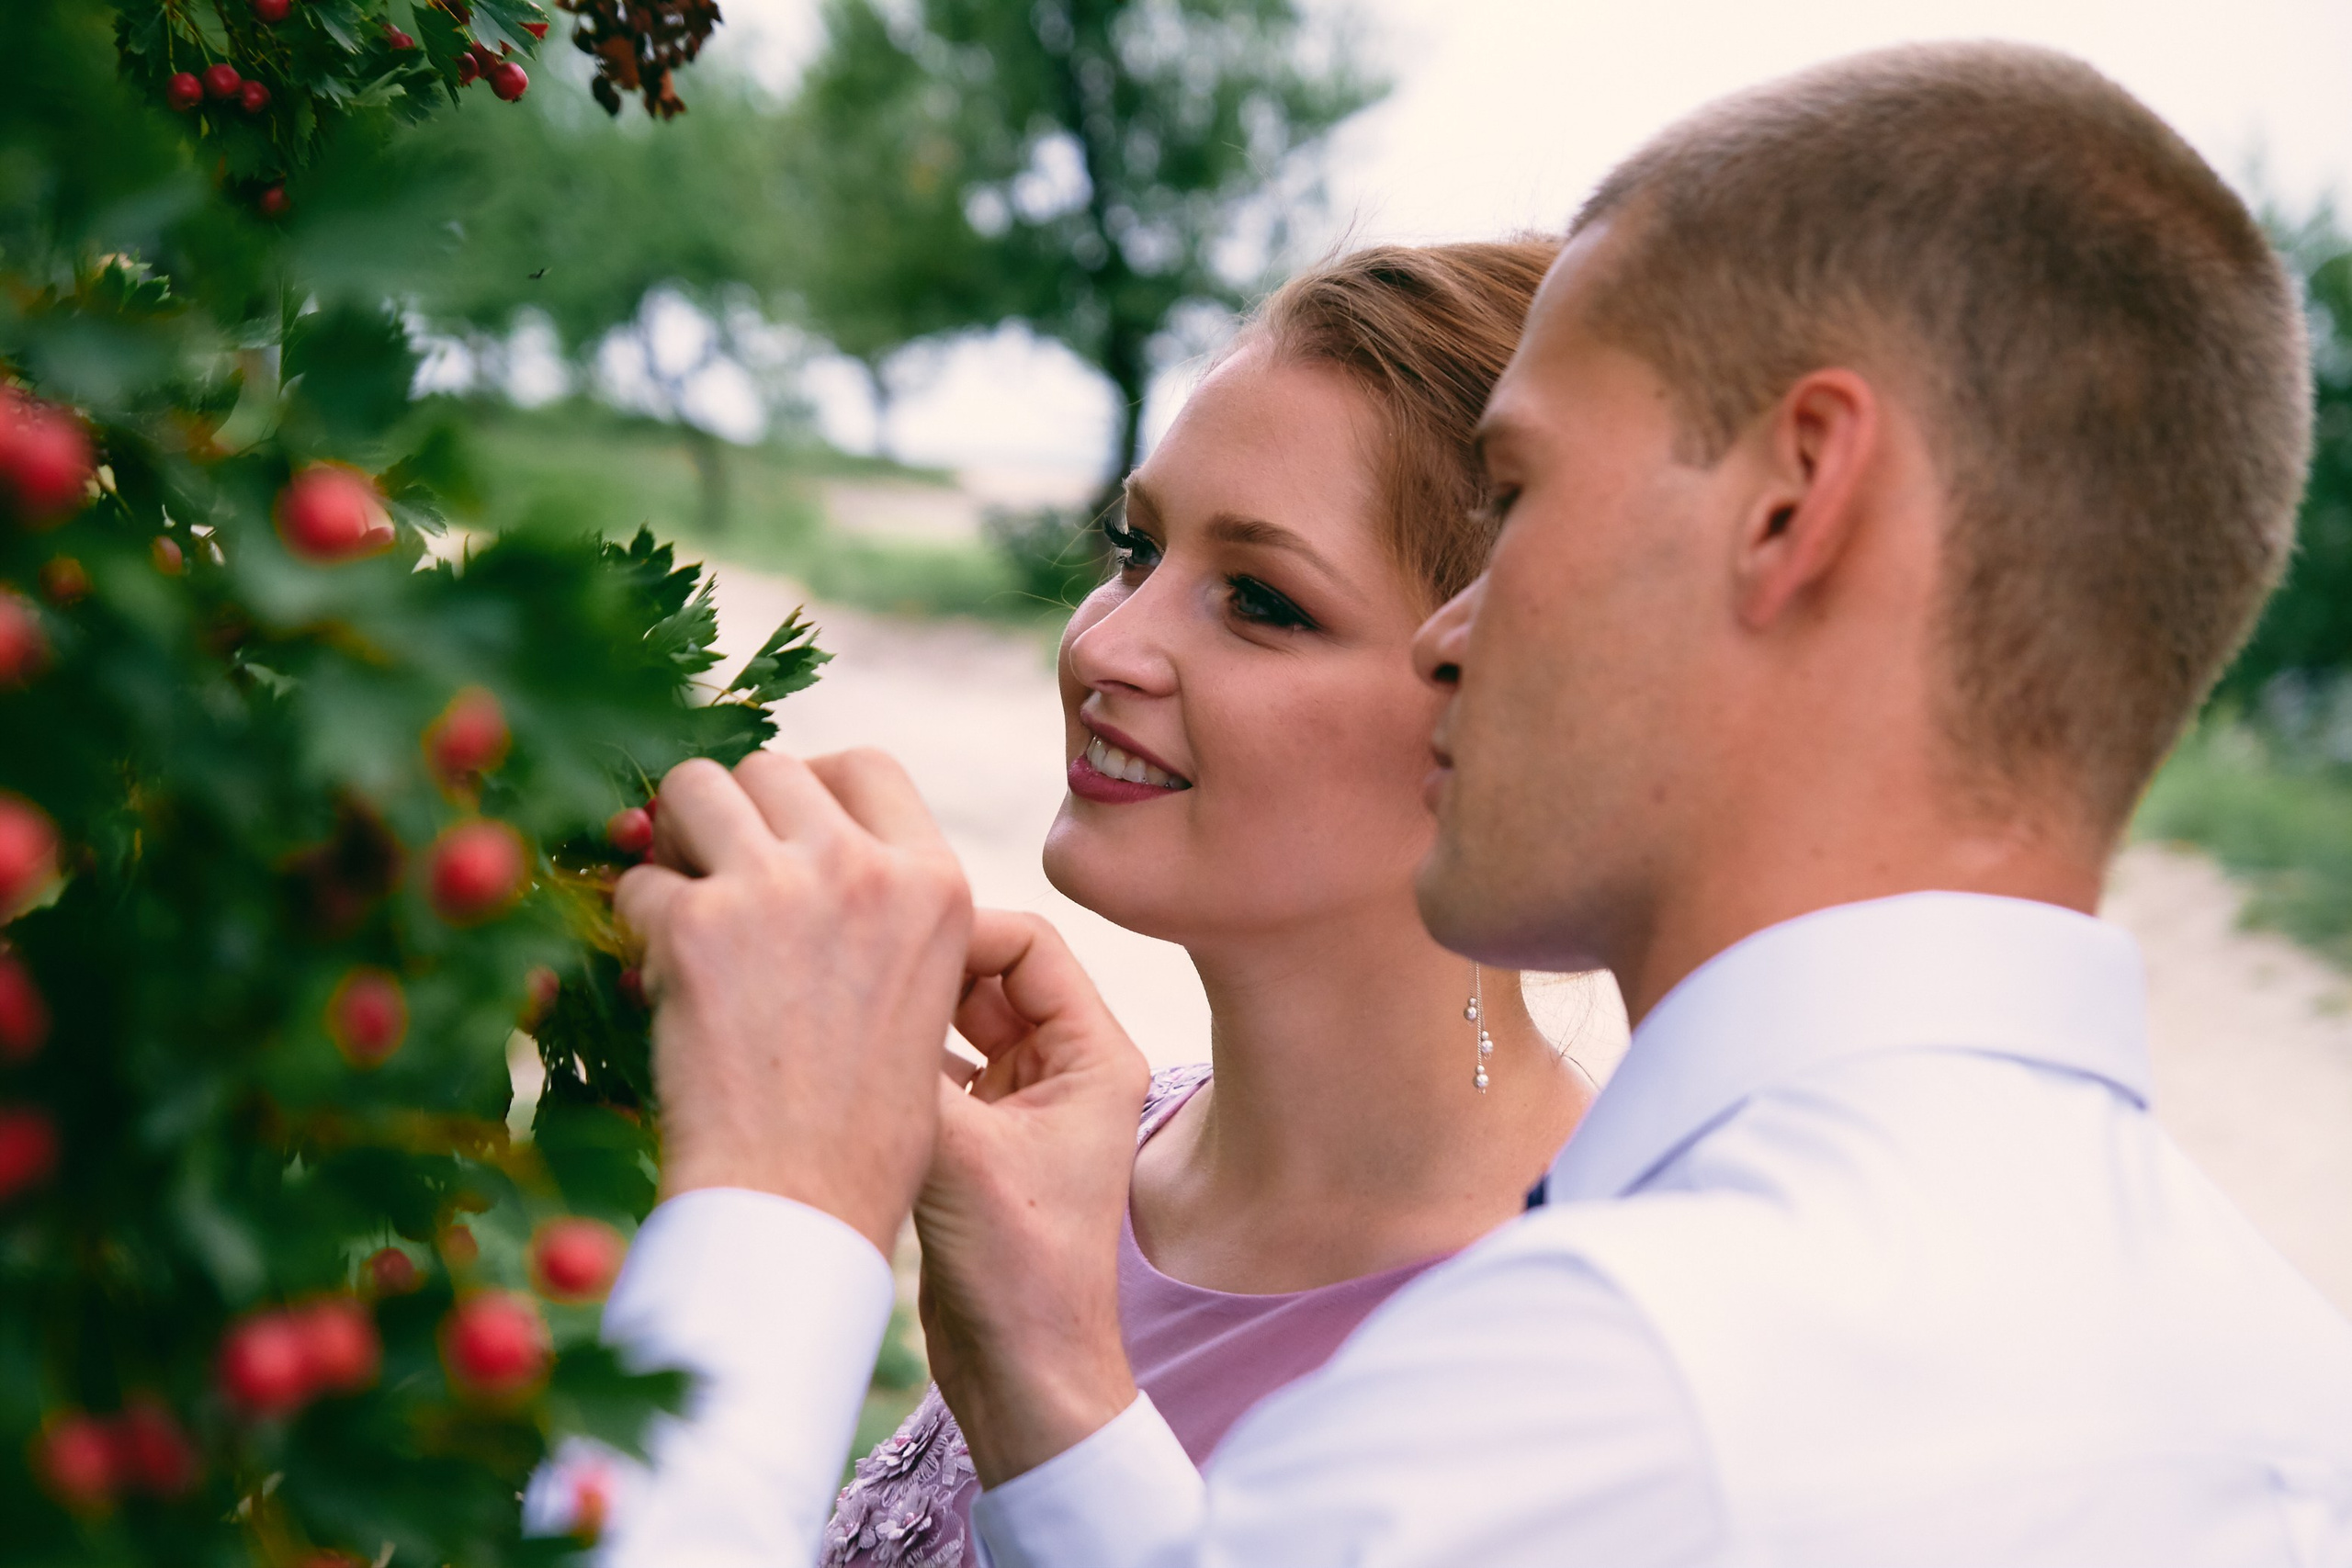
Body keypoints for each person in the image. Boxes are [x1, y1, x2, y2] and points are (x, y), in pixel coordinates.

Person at [591, 39, 2352, 1568]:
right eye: (1132, 552)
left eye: (1518, 491)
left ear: (1796, 501)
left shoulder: (1594, 1397)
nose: (1453, 634)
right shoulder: (2279, 1375)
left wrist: (774, 1204)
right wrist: (1052, 1380)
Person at [815, 241, 1595, 1566]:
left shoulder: (1558, 1362)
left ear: (1506, 704)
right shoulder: (1080, 1157)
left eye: (1260, 601)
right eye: (1135, 548)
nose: (1104, 644)